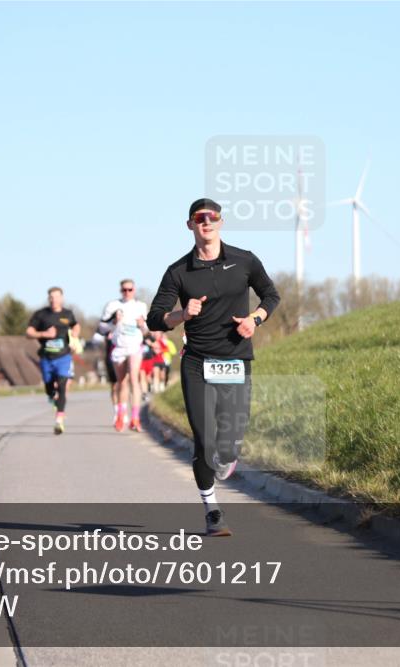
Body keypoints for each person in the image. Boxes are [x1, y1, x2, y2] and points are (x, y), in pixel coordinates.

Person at [147, 198, 280, 537]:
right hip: (197, 363)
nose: (206, 223)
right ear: (190, 225)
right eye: (199, 218)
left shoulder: (244, 260)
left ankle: (226, 455)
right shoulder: (179, 271)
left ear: (221, 222)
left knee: (230, 442)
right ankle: (212, 511)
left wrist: (255, 319)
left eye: (212, 217)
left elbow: (271, 295)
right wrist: (182, 315)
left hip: (236, 360)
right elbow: (154, 319)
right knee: (205, 440)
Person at [26, 287, 80, 435]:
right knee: (49, 386)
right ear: (48, 298)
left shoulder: (67, 314)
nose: (54, 299)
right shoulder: (41, 315)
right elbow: (29, 332)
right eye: (51, 297)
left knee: (63, 385)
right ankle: (51, 396)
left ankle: (59, 420)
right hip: (46, 357)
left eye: (56, 297)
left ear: (61, 298)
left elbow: (75, 325)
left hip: (63, 356)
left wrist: (75, 334)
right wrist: (44, 334)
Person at [100, 279, 150, 432]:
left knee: (134, 379)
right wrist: (114, 322)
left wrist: (142, 325)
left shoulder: (141, 306)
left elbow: (147, 330)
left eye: (130, 289)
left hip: (135, 346)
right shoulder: (112, 305)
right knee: (122, 382)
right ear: (120, 290)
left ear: (134, 290)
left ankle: (135, 418)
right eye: (124, 290)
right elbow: (102, 327)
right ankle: (121, 414)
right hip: (119, 347)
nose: (127, 292)